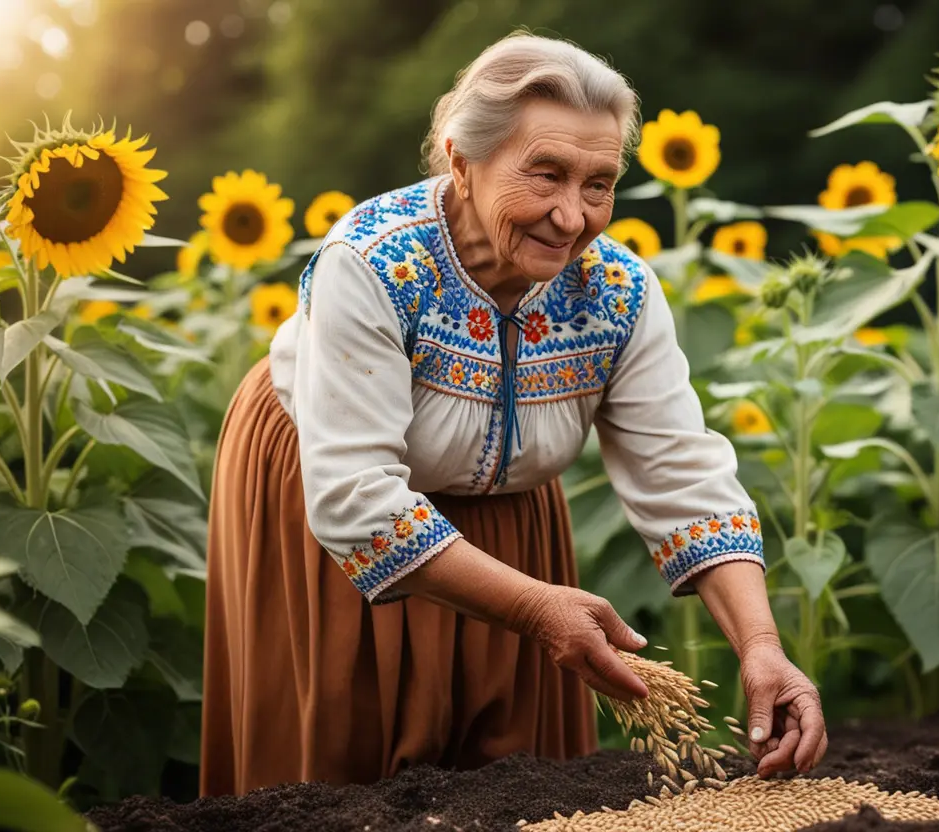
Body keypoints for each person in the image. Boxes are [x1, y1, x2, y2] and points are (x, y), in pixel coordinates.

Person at [200, 31, 826, 797]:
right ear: (462, 160)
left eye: (599, 184)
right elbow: (355, 498)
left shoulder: (618, 293)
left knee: (519, 781)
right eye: (546, 175)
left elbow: (682, 471)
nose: (572, 217)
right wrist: (534, 606)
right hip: (326, 491)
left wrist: (761, 646)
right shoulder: (371, 265)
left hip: (512, 517)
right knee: (351, 769)